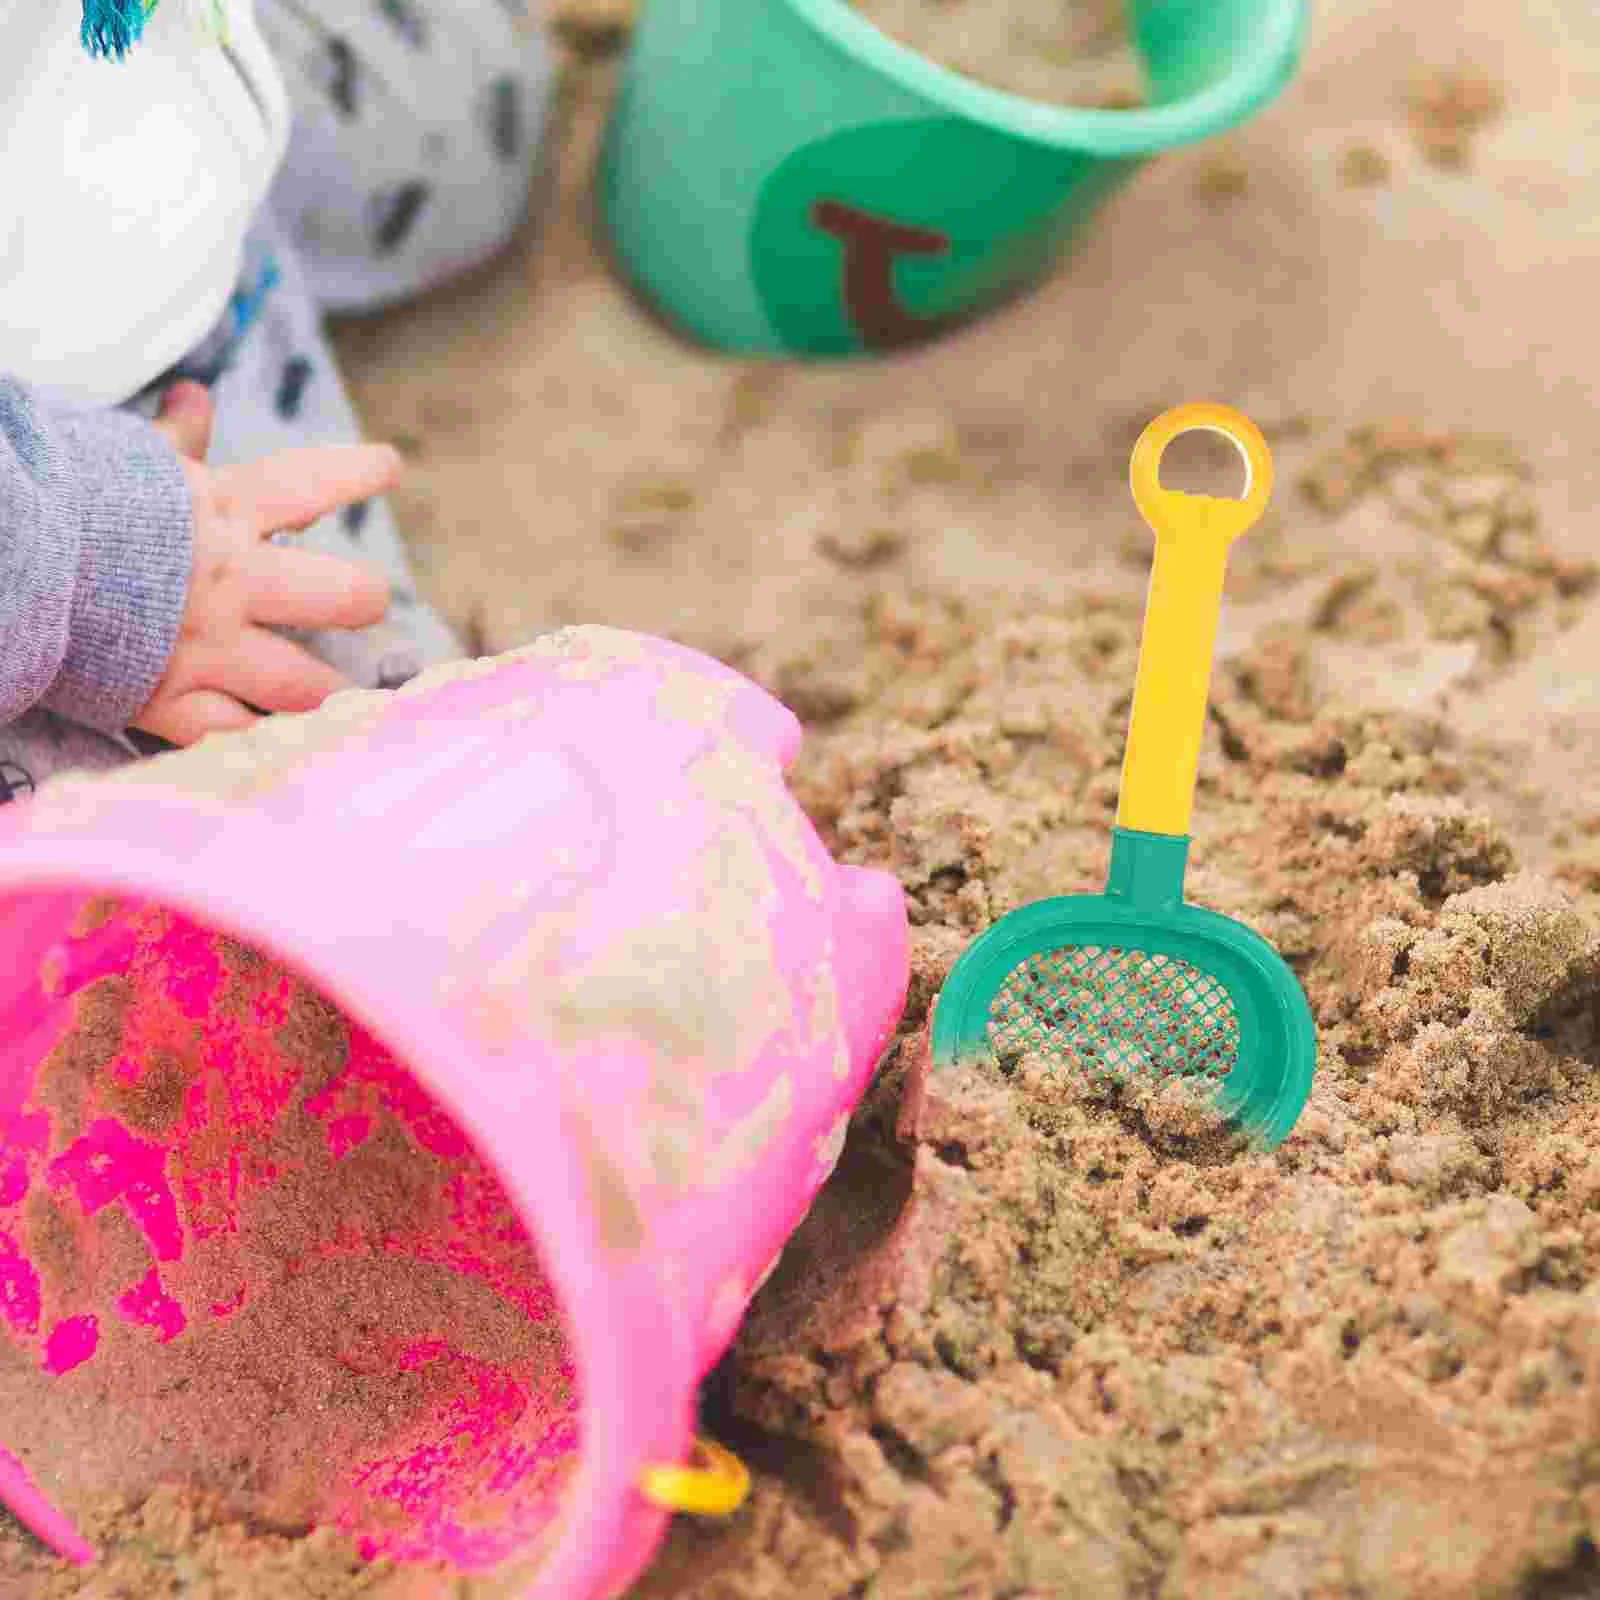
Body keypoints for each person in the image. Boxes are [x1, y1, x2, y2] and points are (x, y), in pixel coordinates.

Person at [0, 0, 555, 802]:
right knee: (349, 797)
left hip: (132, 115)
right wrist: (86, 566)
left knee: (464, 128)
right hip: (68, 495)